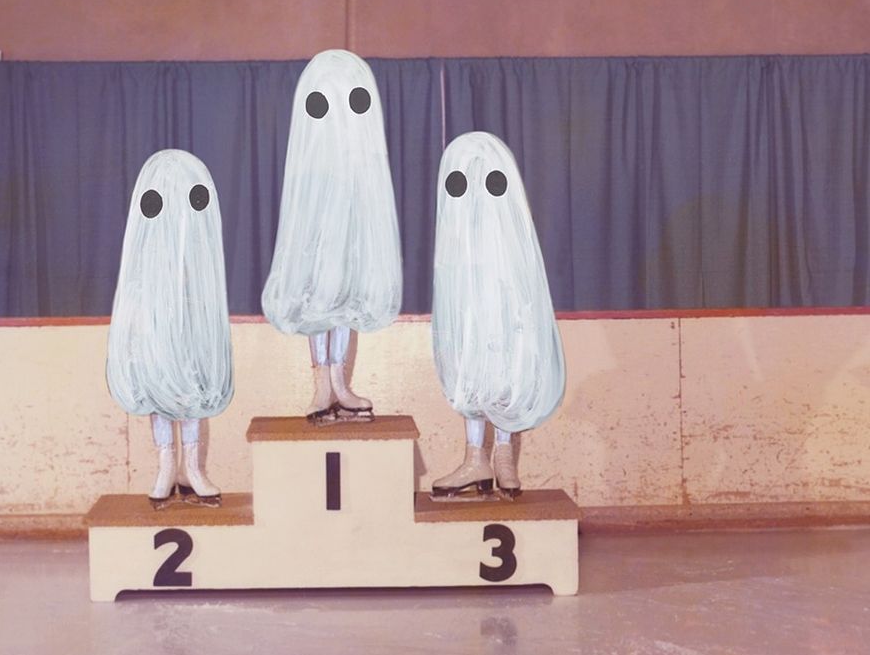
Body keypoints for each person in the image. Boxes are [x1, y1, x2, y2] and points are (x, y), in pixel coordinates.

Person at [262, 50, 402, 423]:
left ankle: (338, 380)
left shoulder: (359, 162)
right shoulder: (310, 161)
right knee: (318, 300)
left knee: (345, 300)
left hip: (347, 244)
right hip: (318, 245)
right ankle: (322, 380)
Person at [430, 132, 565, 498]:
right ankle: (477, 458)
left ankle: (502, 455)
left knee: (504, 375)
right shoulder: (458, 236)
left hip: (505, 312)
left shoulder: (509, 235)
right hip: (472, 309)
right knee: (469, 374)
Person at [107, 150, 234, 508]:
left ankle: (190, 469)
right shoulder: (145, 257)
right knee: (159, 394)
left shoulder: (196, 254)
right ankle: (166, 466)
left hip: (190, 331)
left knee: (191, 391)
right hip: (155, 331)